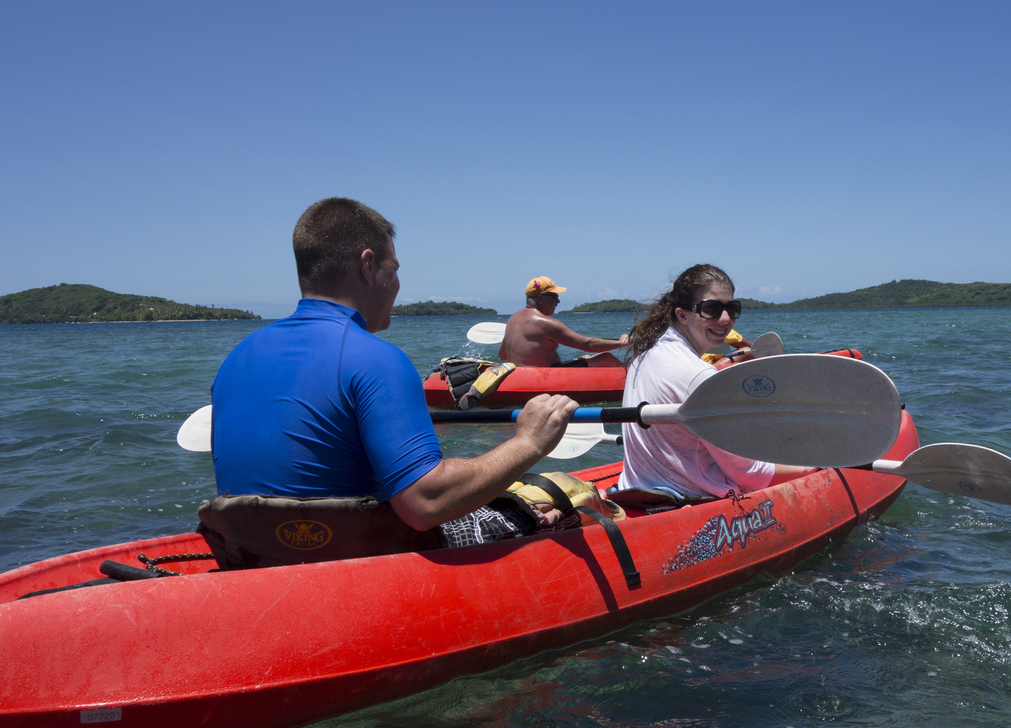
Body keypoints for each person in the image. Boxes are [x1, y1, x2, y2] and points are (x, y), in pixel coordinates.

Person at [210, 197, 578, 539]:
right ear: (368, 265)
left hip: (257, 555)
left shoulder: (236, 358)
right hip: (361, 562)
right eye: (394, 267)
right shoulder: (376, 359)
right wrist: (528, 442)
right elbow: (425, 503)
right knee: (553, 511)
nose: (397, 282)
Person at [614, 264, 813, 499]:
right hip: (689, 500)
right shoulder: (700, 377)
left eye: (732, 308)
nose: (726, 318)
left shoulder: (642, 358)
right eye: (711, 309)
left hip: (634, 489)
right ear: (682, 315)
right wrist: (815, 466)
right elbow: (751, 475)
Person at [499, 276, 629, 367]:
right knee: (606, 358)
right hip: (543, 377)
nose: (558, 301)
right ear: (540, 298)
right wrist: (622, 343)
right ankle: (630, 388)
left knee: (585, 358)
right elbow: (587, 344)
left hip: (520, 376)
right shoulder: (545, 323)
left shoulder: (512, 319)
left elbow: (502, 355)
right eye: (554, 296)